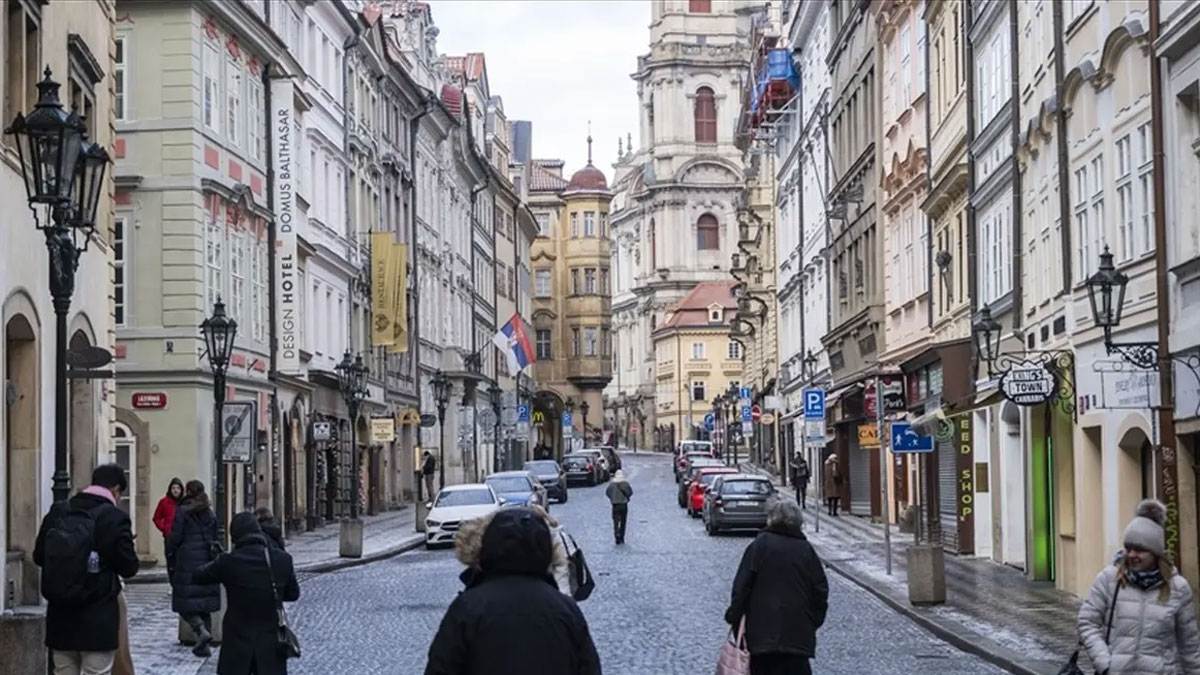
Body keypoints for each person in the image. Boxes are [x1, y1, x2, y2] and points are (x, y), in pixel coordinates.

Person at [426, 507, 601, 674]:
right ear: (546, 550)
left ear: (486, 547)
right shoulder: (565, 609)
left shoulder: (467, 608)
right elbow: (588, 667)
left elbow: (441, 667)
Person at [33, 463, 140, 675]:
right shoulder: (115, 518)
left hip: (61, 617)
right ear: (116, 490)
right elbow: (128, 567)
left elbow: (38, 556)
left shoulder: (59, 511)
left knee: (63, 671)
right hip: (98, 618)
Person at [1077, 499, 1200, 674]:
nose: (1132, 555)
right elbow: (1087, 622)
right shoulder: (1109, 579)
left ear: (1156, 553)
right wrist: (1104, 663)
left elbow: (1189, 645)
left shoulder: (1178, 588)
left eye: (1140, 550)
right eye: (1129, 548)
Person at [725, 498, 829, 675]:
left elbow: (742, 587)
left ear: (771, 519)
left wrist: (734, 617)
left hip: (761, 638)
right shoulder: (806, 550)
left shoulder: (759, 547)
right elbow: (820, 592)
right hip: (797, 638)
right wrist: (811, 622)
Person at [195, 512, 300, 675]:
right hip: (270, 646)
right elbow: (293, 594)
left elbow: (198, 576)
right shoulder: (282, 560)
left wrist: (215, 558)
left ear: (235, 537)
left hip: (237, 644)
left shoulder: (228, 562)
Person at [167, 480, 222, 657]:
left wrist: (170, 553)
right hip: (206, 560)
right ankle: (204, 643)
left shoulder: (183, 511)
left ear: (188, 492)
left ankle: (200, 630)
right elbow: (215, 537)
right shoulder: (209, 513)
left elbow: (175, 537)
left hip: (187, 561)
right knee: (204, 604)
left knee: (185, 604)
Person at [605, 469, 633, 545]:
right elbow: (630, 492)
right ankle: (622, 537)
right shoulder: (625, 484)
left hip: (615, 505)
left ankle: (616, 536)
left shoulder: (612, 485)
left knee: (616, 522)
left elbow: (607, 492)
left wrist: (613, 498)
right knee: (623, 521)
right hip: (623, 505)